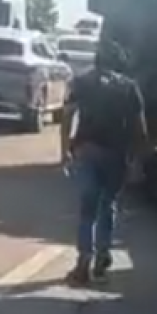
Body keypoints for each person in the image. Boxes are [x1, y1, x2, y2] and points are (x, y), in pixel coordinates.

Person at [59, 39, 148, 286]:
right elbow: (140, 129)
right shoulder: (130, 88)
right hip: (115, 155)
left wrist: (65, 149)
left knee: (87, 208)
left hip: (87, 150)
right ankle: (101, 259)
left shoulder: (82, 82)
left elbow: (67, 115)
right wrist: (136, 161)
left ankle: (83, 262)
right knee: (107, 205)